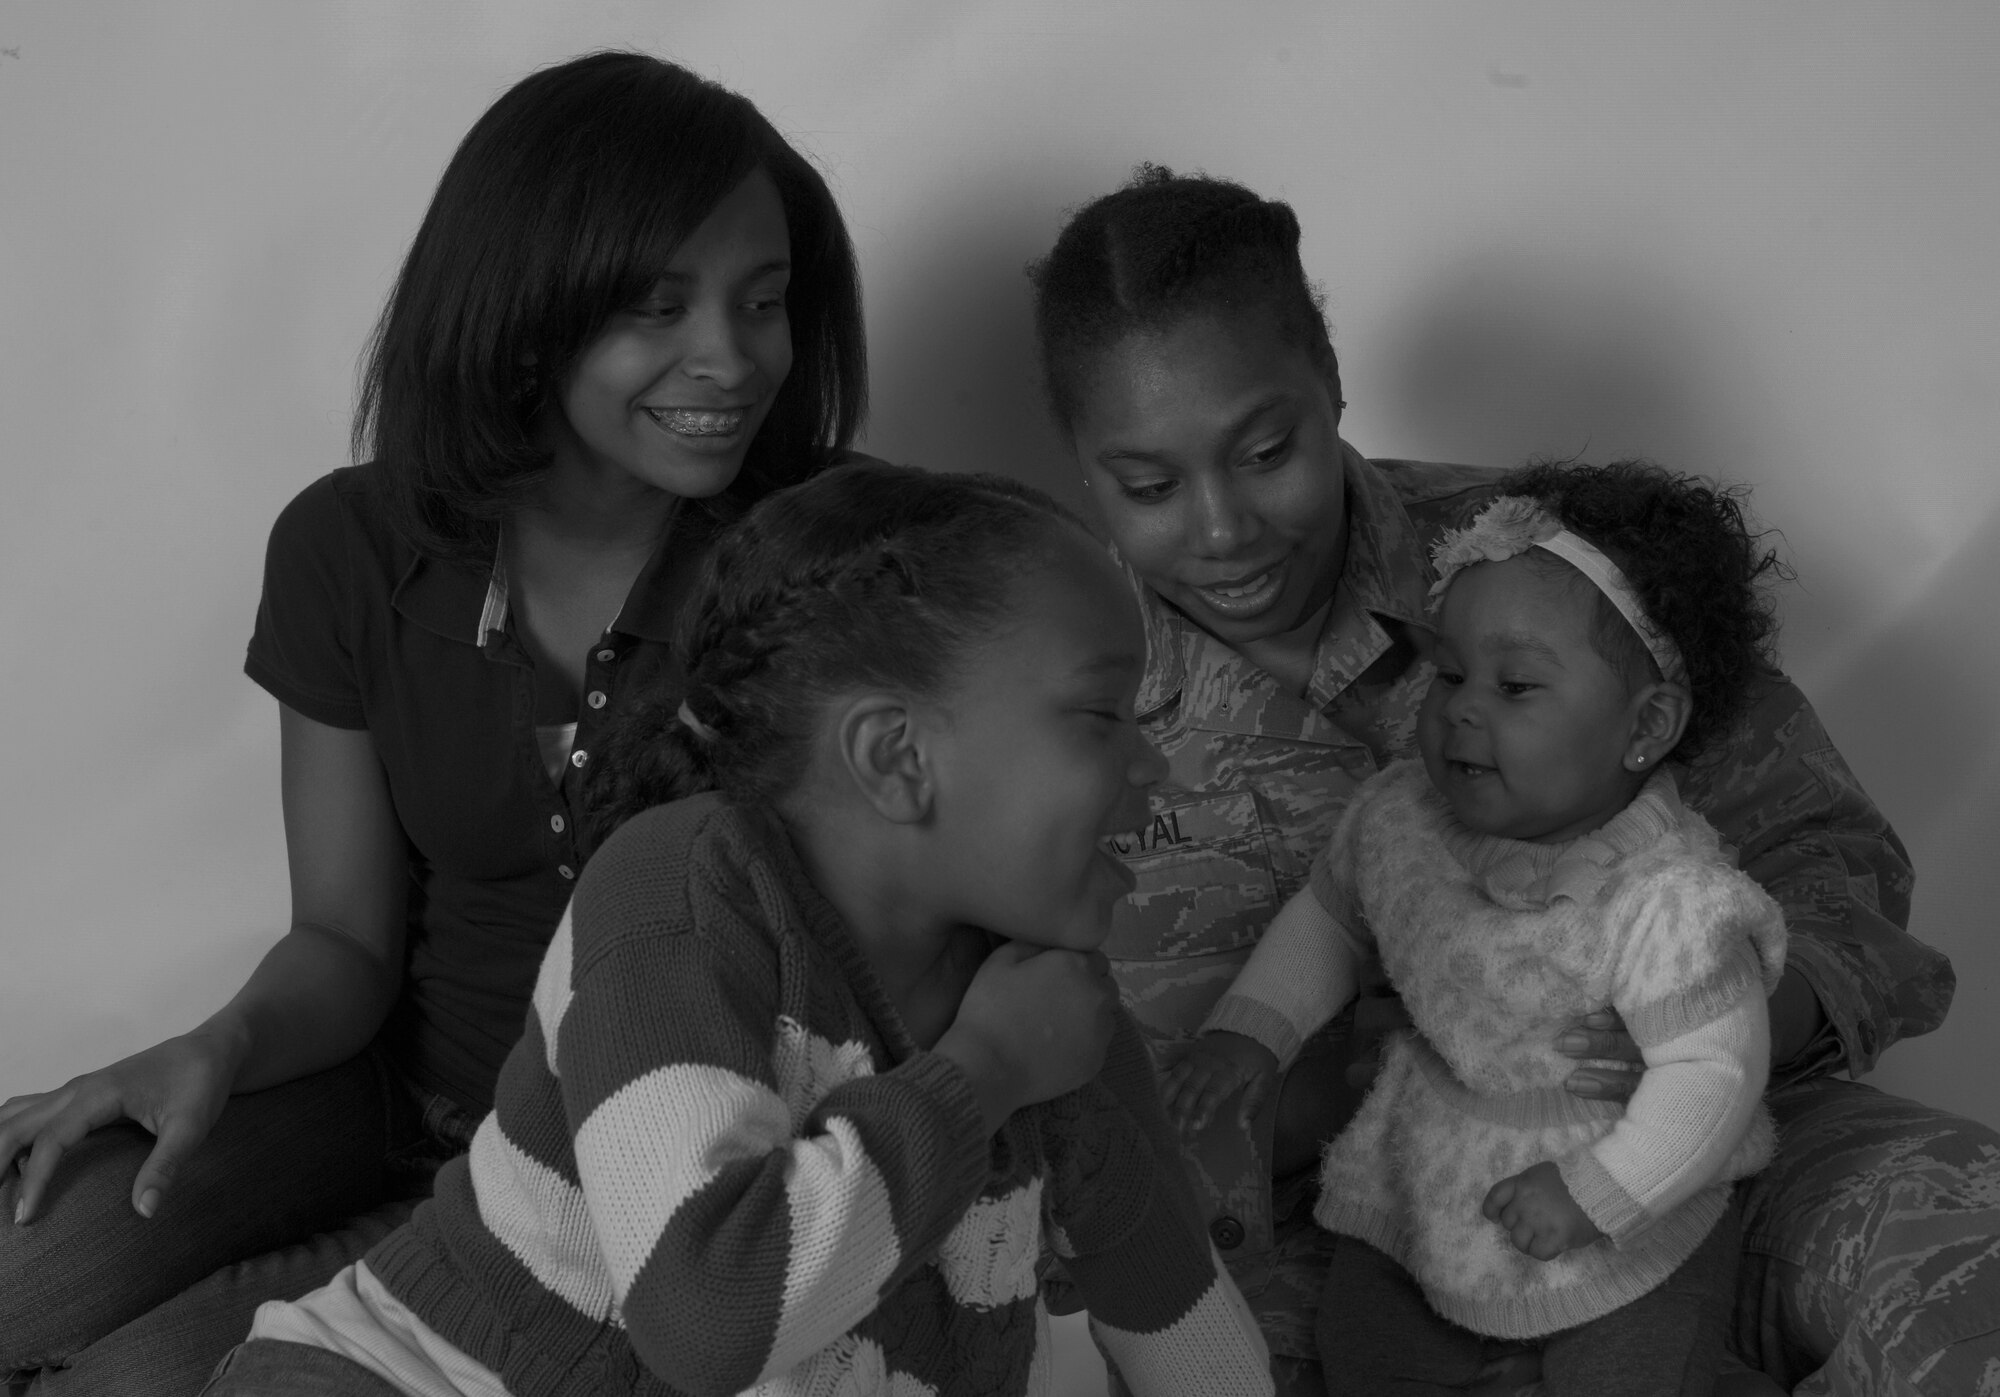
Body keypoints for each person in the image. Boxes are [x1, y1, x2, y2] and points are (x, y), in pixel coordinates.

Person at [1027, 165, 1995, 1397]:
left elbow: (1826, 854)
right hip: (1319, 1240)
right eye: (1148, 486)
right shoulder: (1035, 683)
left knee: (1970, 1261)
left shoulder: (1543, 566)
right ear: (1078, 464)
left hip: (1707, 1163)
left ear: (1328, 376)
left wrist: (1719, 1027)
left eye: (1265, 449)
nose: (1220, 529)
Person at [0, 51, 866, 1397]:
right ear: (528, 313)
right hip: (384, 1101)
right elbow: (344, 940)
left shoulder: (833, 556)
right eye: (660, 305)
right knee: (20, 1269)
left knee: (127, 1384)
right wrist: (214, 1044)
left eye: (764, 303)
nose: (735, 358)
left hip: (618, 1190)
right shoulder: (351, 543)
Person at [198, 461, 1275, 1397]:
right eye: (1100, 716)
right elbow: (707, 1310)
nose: (1152, 767)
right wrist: (978, 1074)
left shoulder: (1056, 1016)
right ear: (896, 756)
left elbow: (1187, 1330)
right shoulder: (678, 889)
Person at [1166, 466, 1794, 1395]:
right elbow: (1332, 920)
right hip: (1432, 1164)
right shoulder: (1402, 821)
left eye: (1516, 685)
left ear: (1647, 724)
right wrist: (1250, 1032)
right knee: (1369, 1344)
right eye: (1450, 672)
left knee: (1642, 1363)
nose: (1461, 706)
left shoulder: (1671, 901)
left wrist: (1598, 1192)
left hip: (1627, 1192)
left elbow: (1715, 1075)